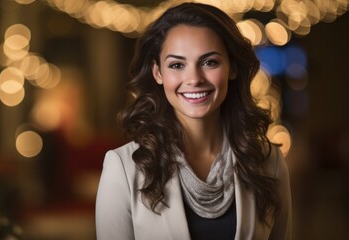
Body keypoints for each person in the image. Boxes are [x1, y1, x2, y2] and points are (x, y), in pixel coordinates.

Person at [95, 2, 291, 240]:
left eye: (210, 62)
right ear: (158, 73)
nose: (194, 79)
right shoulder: (123, 168)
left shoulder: (270, 162)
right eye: (177, 65)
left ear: (232, 67)